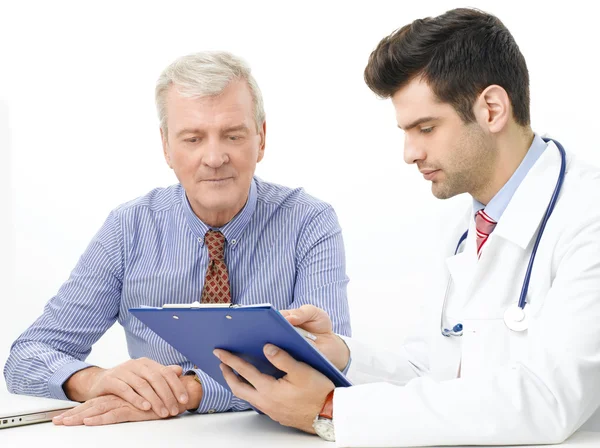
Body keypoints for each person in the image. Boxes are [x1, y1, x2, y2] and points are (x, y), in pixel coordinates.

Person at [214, 8, 600, 446]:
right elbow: (432, 377)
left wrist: (329, 410)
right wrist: (341, 354)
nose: (409, 153)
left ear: (492, 109)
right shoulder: (462, 226)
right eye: (406, 130)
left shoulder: (588, 217)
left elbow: (547, 401)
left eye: (426, 128)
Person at [3, 51, 351, 427]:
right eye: (193, 139)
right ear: (166, 146)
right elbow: (26, 357)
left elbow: (325, 365)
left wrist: (188, 391)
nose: (214, 157)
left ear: (261, 139)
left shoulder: (309, 222)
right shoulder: (128, 228)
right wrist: (97, 380)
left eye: (232, 135)